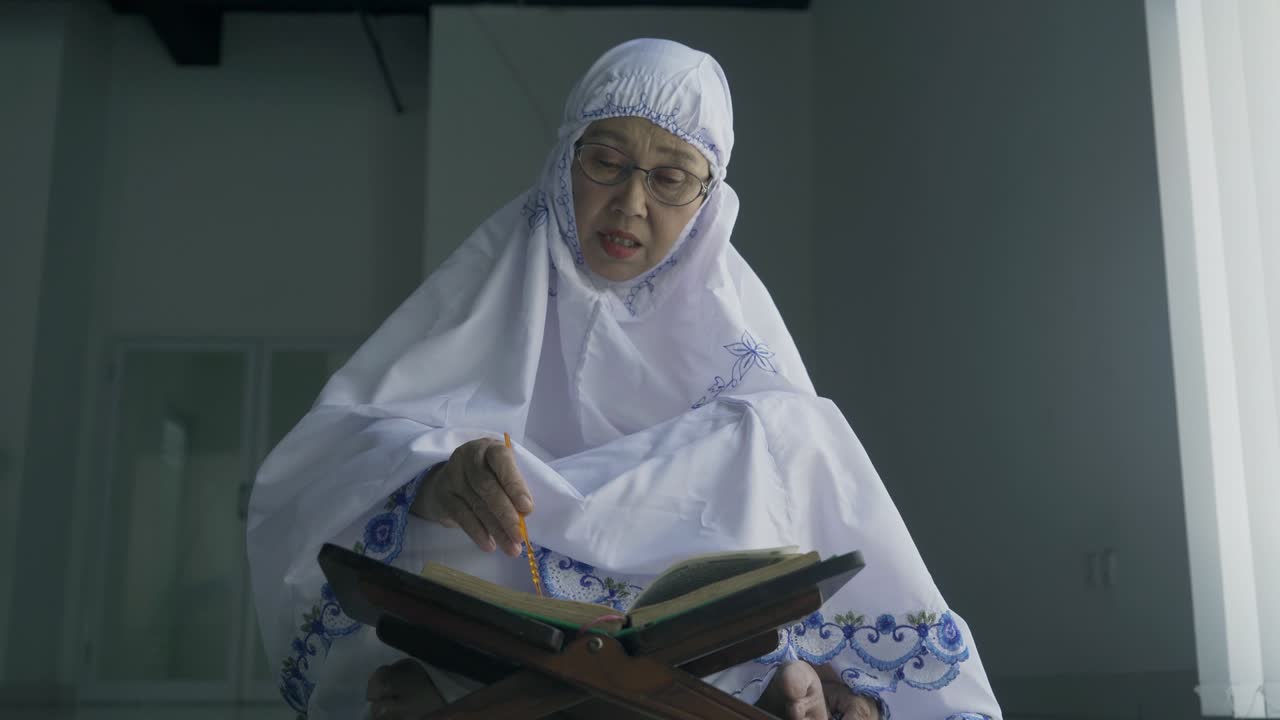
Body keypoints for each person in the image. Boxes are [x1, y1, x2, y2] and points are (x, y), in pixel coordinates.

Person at [247, 38, 1003, 720]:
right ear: (563, 158)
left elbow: (821, 514)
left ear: (709, 201)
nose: (631, 202)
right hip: (504, 607)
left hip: (694, 640)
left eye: (671, 177)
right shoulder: (484, 288)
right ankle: (455, 681)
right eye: (605, 162)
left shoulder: (734, 326)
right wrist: (438, 477)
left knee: (792, 431)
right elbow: (327, 457)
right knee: (425, 479)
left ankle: (778, 676)